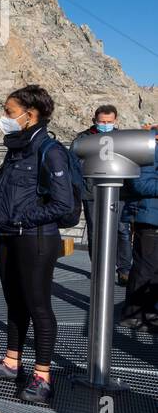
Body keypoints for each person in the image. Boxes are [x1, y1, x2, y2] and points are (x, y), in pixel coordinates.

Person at [0, 86, 75, 404]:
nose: (4, 117)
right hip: (8, 237)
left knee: (39, 306)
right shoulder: (16, 148)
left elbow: (62, 203)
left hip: (36, 239)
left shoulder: (50, 150)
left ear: (29, 115)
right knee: (15, 302)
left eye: (8, 111)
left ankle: (42, 377)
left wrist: (21, 219)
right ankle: (11, 362)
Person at [74, 105, 131, 284]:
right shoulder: (83, 139)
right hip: (92, 192)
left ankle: (124, 270)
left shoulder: (122, 139)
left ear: (115, 121)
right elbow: (74, 163)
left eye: (109, 122)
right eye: (102, 122)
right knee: (94, 232)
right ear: (94, 120)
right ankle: (99, 269)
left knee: (122, 230)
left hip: (119, 192)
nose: (105, 124)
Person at [120, 132, 158, 332]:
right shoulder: (150, 150)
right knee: (144, 268)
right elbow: (140, 183)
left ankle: (148, 312)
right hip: (148, 218)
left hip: (152, 216)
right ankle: (132, 314)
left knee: (154, 271)